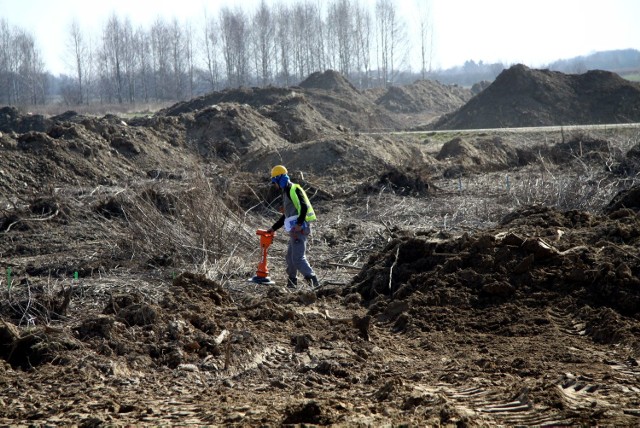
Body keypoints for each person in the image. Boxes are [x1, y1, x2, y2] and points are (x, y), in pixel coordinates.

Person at [267, 165, 319, 289]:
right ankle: (291, 283)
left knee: (298, 258)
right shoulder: (286, 192)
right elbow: (286, 215)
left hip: (300, 229)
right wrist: (273, 228)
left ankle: (314, 283)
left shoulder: (293, 190)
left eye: (275, 182)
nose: (275, 185)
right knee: (290, 258)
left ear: (280, 179)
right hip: (295, 230)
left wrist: (299, 224)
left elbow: (304, 207)